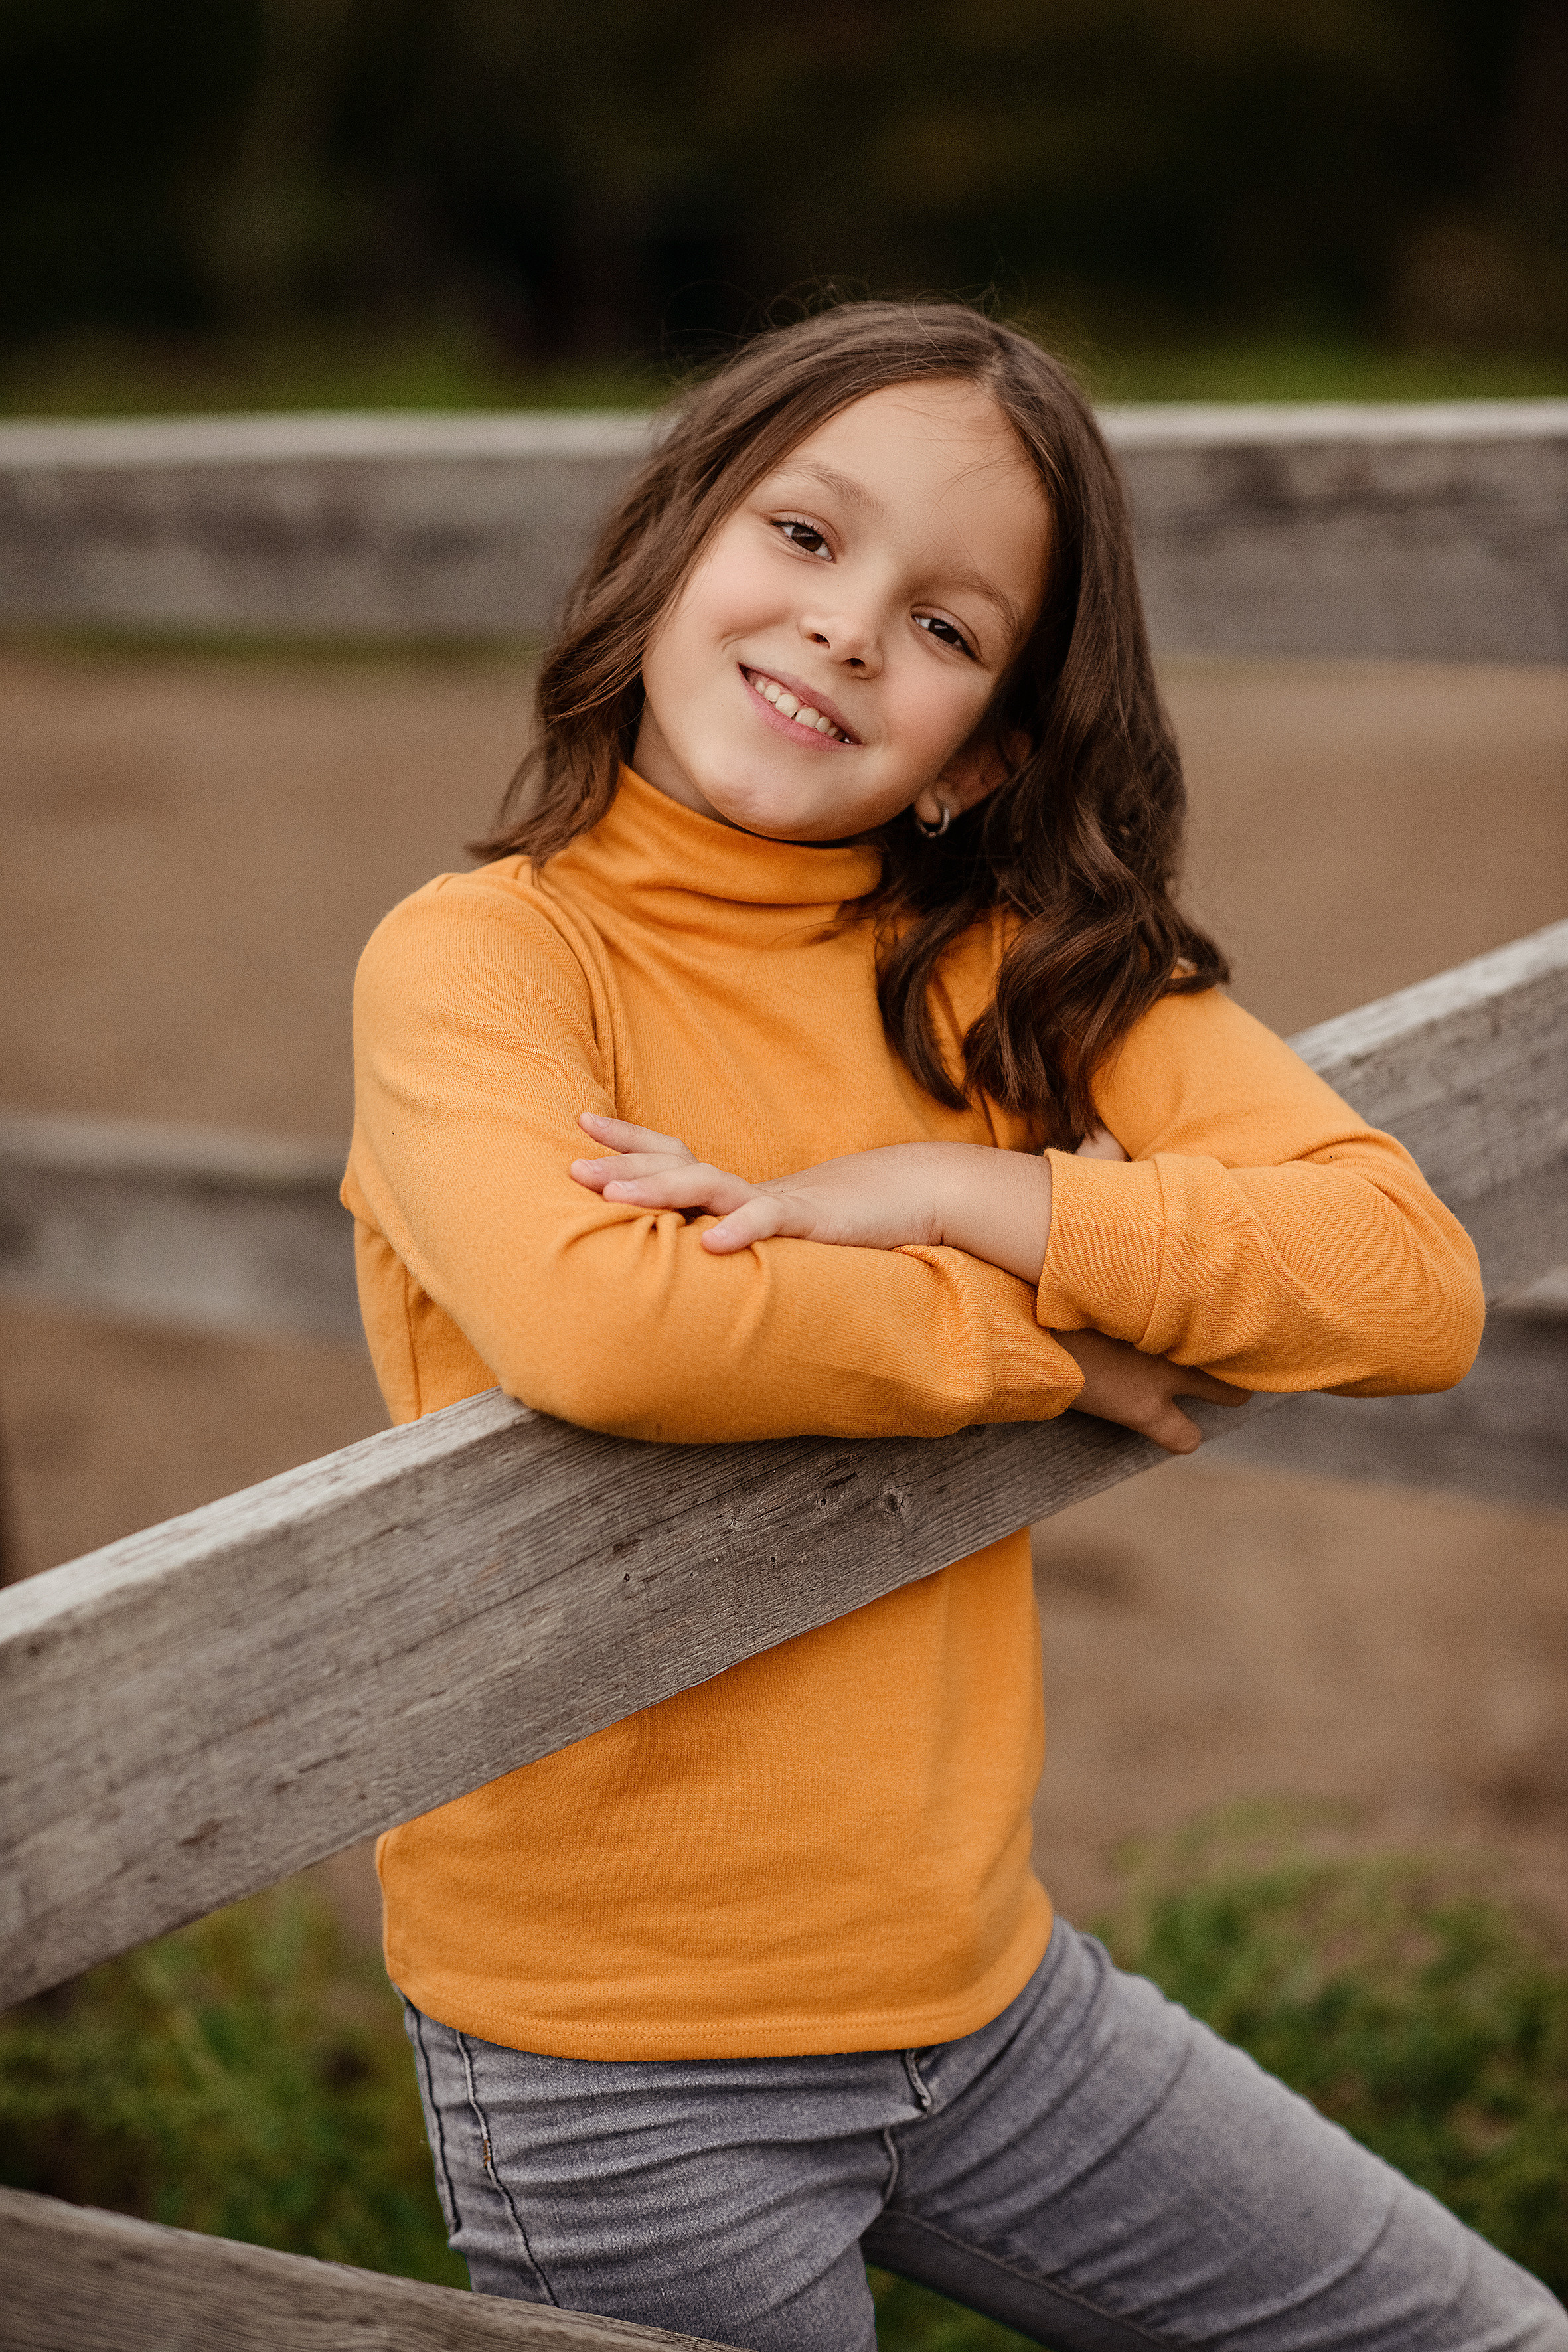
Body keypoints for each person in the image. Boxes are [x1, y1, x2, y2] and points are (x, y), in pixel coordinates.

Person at [343, 301, 1564, 2351]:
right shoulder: (488, 958)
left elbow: (1402, 1279)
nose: (844, 629)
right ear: (667, 549)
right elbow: (608, 1326)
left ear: (989, 743)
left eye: (942, 624)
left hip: (985, 1999)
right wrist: (1040, 1349)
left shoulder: (1012, 975)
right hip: (617, 2055)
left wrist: (961, 1192)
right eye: (805, 541)